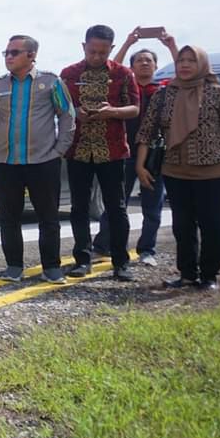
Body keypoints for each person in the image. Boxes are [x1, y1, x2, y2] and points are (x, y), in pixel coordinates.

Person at [137, 45, 220, 291]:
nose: (184, 65)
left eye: (191, 61)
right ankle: (187, 275)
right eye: (181, 60)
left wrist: (214, 149)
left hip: (213, 171)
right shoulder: (164, 95)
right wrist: (140, 165)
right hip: (176, 171)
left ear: (202, 64)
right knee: (182, 226)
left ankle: (209, 276)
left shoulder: (218, 93)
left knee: (213, 225)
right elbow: (147, 130)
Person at [0, 35, 75, 284]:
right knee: (8, 218)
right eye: (6, 53)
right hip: (6, 163)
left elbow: (67, 116)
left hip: (43, 162)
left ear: (31, 55)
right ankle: (14, 266)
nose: (8, 57)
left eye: (14, 52)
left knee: (48, 217)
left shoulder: (51, 82)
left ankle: (51, 268)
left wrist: (59, 150)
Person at [93, 27, 179, 265]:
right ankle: (102, 246)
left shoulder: (163, 89)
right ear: (131, 66)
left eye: (149, 60)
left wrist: (171, 45)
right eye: (139, 60)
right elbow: (112, 68)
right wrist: (128, 42)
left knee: (153, 207)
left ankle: (147, 250)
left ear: (155, 65)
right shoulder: (124, 89)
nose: (144, 63)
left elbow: (185, 74)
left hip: (154, 156)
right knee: (114, 204)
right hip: (123, 152)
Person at [60, 25, 139, 281]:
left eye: (102, 52)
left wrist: (112, 112)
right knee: (79, 207)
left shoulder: (124, 74)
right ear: (84, 47)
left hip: (112, 150)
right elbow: (60, 108)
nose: (96, 56)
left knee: (116, 208)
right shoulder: (69, 74)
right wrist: (75, 112)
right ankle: (82, 260)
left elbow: (135, 109)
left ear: (111, 49)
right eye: (92, 51)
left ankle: (121, 262)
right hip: (79, 150)